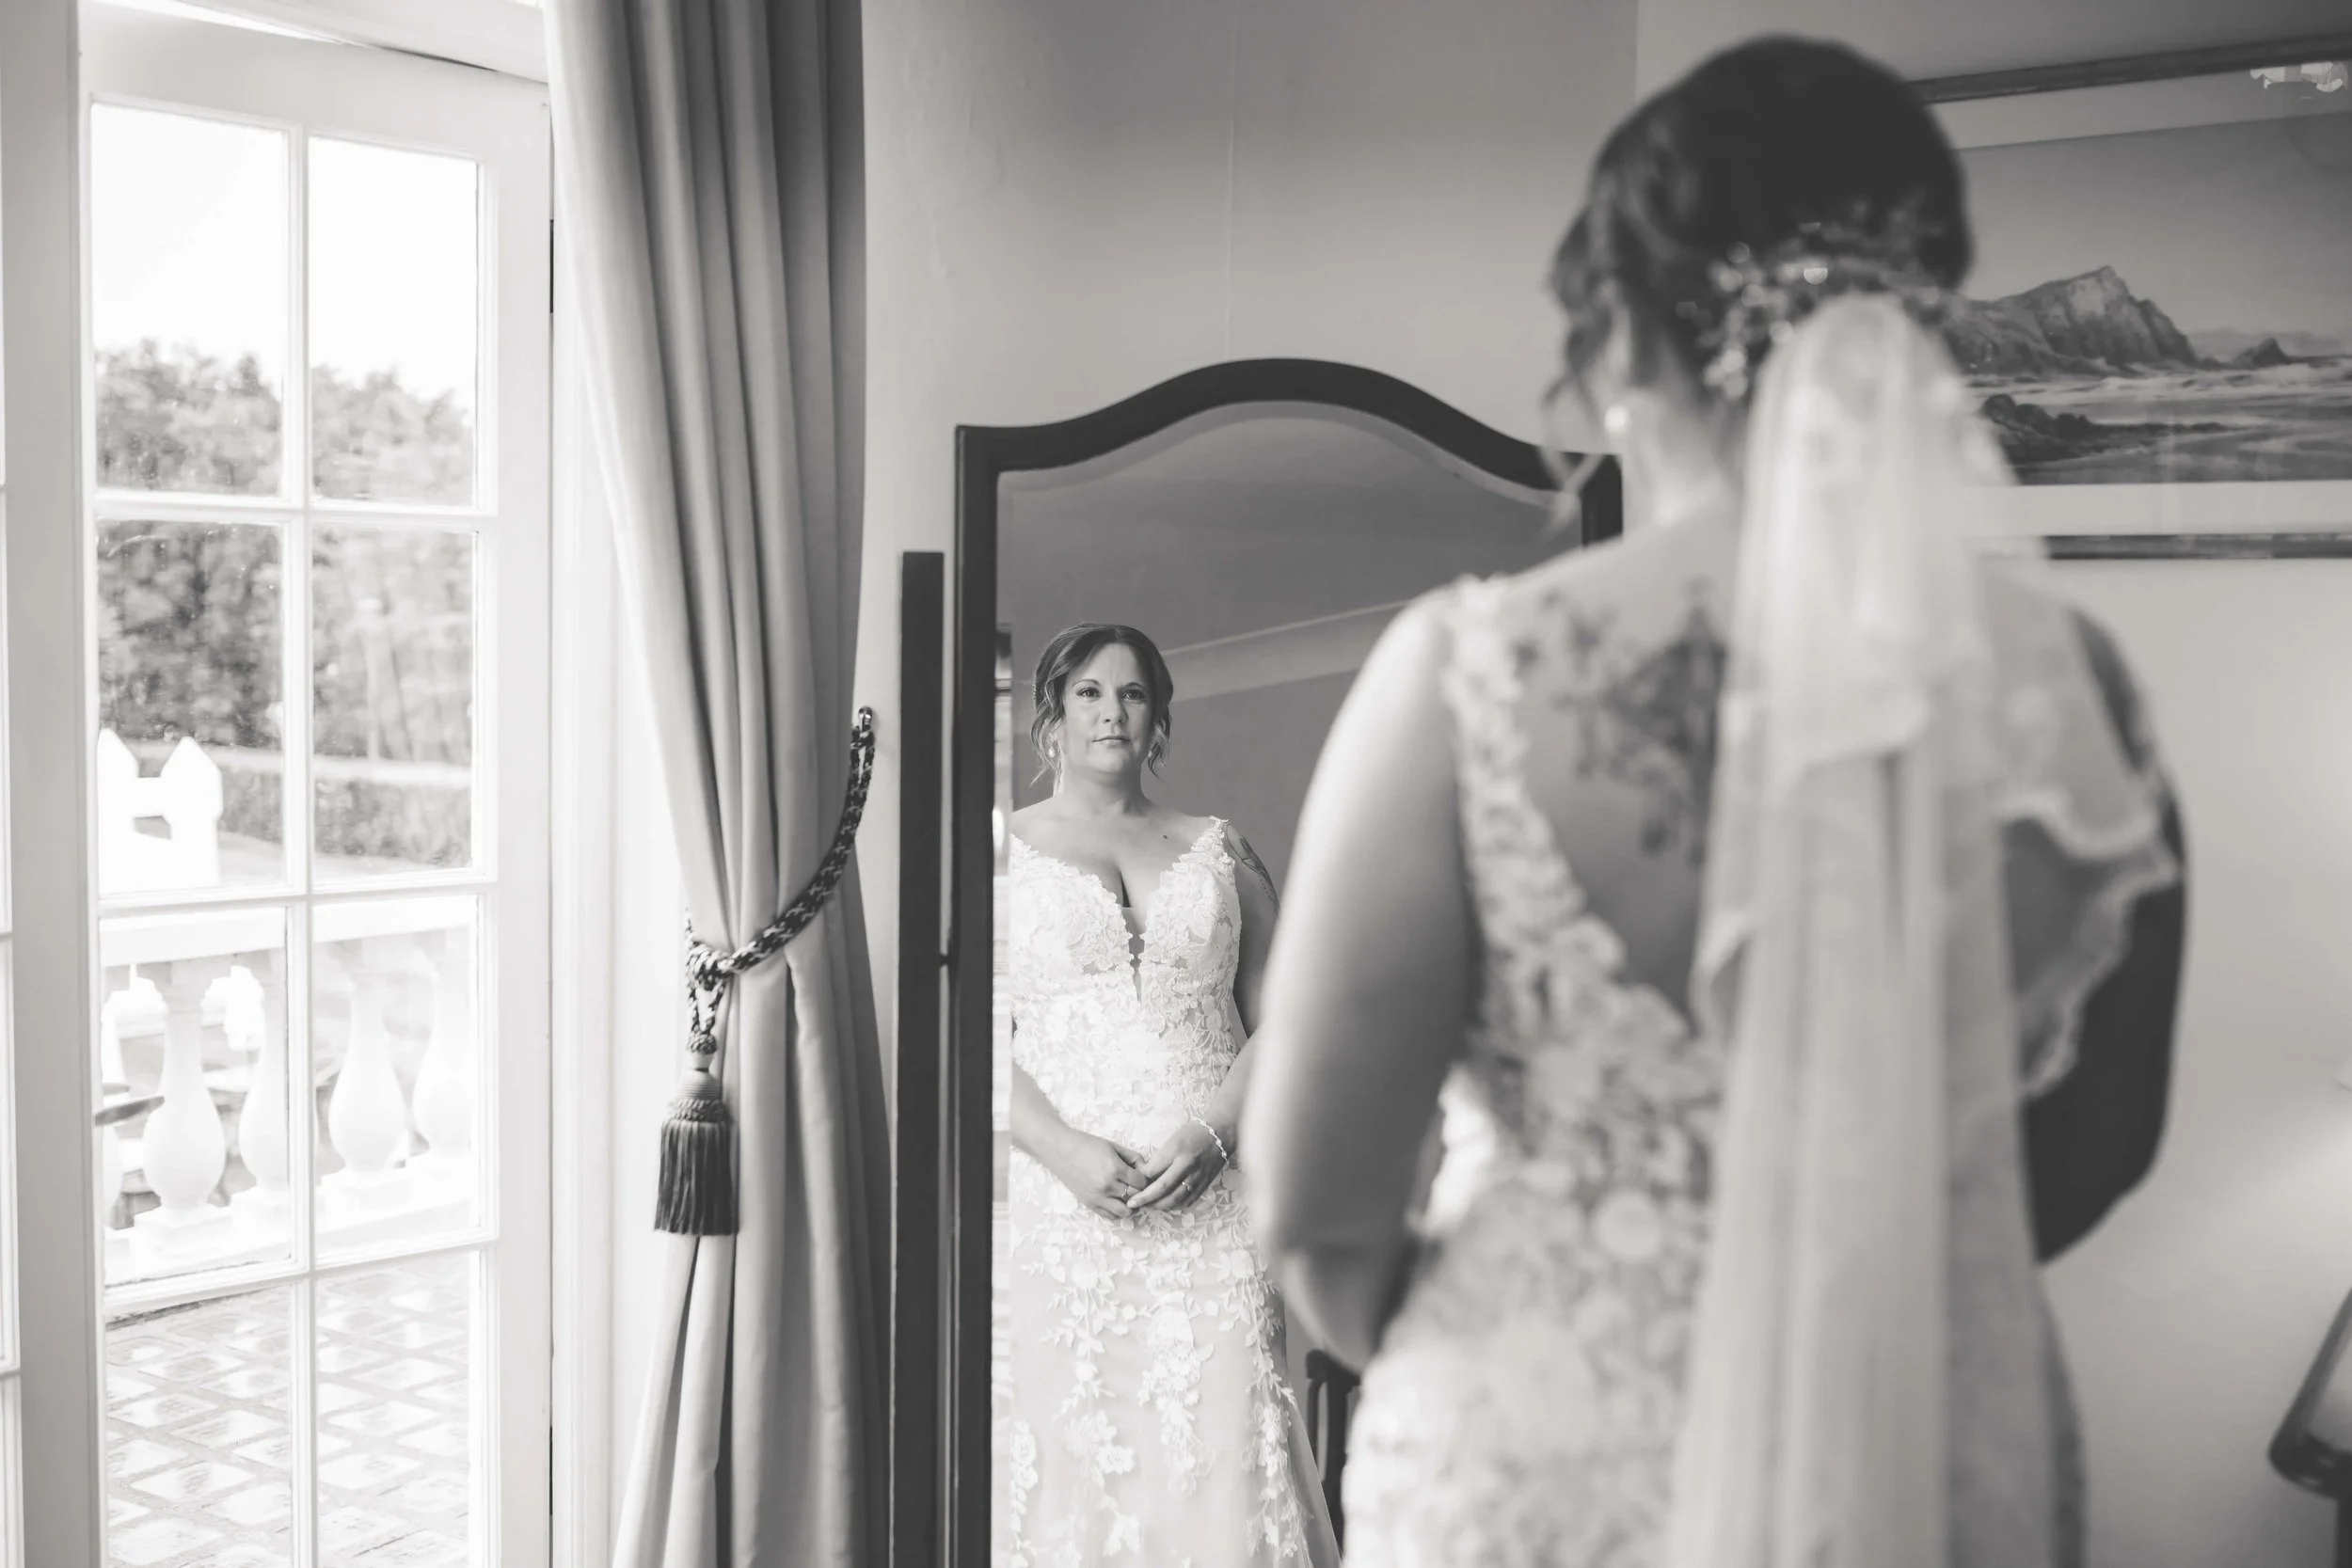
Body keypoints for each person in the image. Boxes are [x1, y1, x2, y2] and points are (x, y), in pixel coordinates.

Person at [1241, 35, 2189, 1568]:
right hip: (1933, 1448)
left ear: (1615, 341)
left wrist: (1542, 1316)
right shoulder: (2071, 700)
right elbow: (2098, 1142)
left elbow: (1313, 1208)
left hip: (1544, 1443)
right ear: (1918, 324)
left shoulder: (1473, 672)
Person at [997, 622, 1340, 1568]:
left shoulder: (1218, 848)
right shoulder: (997, 854)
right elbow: (968, 1038)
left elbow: (1290, 1017)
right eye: (1089, 693)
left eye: (1133, 694)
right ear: (1052, 720)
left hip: (1215, 1208)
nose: (1112, 710)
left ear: (1157, 720)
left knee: (1226, 1451)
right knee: (1074, 1454)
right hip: (1066, 1216)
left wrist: (1218, 1128)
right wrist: (1063, 1149)